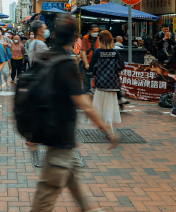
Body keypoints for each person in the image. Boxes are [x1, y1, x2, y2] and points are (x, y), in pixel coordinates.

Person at [30, 15, 118, 212]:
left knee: (73, 175)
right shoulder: (66, 64)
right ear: (74, 38)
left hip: (53, 131)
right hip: (59, 135)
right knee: (46, 194)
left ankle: (89, 208)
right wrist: (106, 129)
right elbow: (83, 103)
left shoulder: (46, 56)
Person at [88, 30, 123, 134]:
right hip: (112, 83)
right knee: (110, 105)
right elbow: (121, 66)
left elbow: (90, 68)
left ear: (101, 40)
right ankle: (110, 125)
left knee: (100, 105)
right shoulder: (115, 53)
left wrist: (97, 71)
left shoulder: (97, 52)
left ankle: (102, 125)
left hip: (100, 84)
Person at [79, 25, 100, 94]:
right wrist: (86, 64)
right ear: (90, 31)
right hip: (87, 62)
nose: (96, 33)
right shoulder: (85, 38)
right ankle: (86, 94)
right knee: (86, 81)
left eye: (97, 31)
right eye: (94, 31)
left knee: (98, 80)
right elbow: (84, 51)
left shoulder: (98, 39)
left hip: (96, 63)